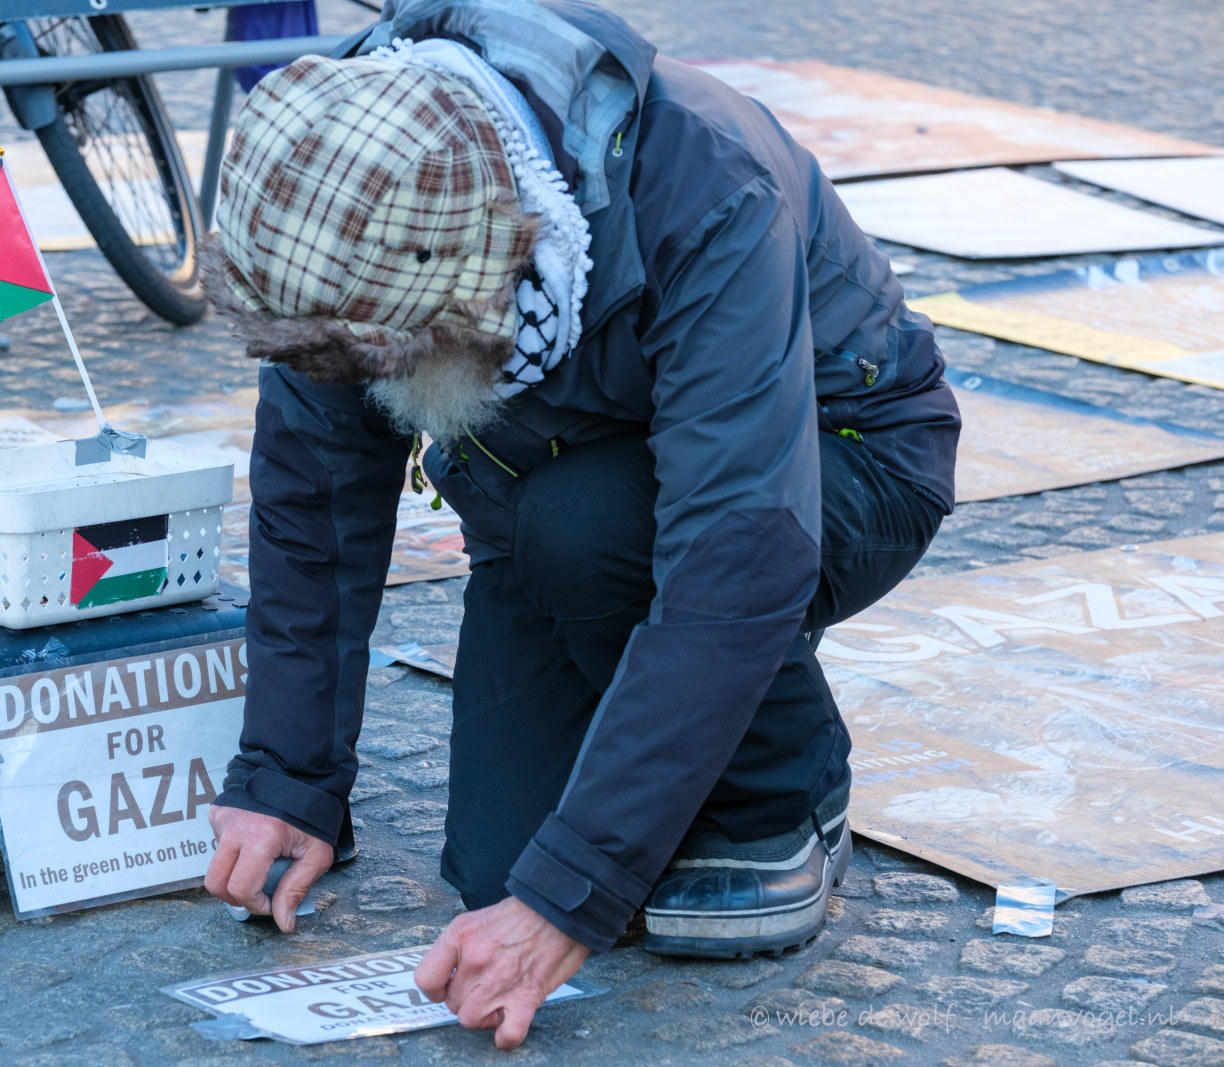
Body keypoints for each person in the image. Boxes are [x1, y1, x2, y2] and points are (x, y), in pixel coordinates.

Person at [201, 0, 961, 1049]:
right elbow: (314, 497)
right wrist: (287, 779)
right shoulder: (336, 166)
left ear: (489, 267)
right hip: (548, 492)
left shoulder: (707, 190)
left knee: (588, 529)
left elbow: (736, 552)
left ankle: (784, 793)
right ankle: (671, 727)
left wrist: (569, 902)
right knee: (497, 866)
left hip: (842, 459)